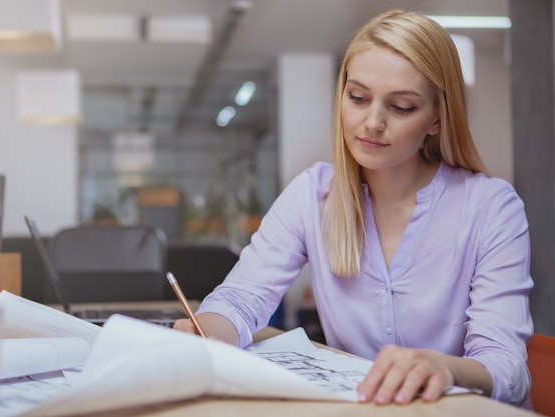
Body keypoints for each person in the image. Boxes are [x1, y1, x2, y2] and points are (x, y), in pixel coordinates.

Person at [174, 9, 533, 407]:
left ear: (436, 118)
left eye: (401, 107)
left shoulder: (491, 207)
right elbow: (241, 301)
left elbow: (508, 368)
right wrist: (206, 330)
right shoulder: (312, 195)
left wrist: (445, 368)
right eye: (358, 98)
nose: (372, 122)